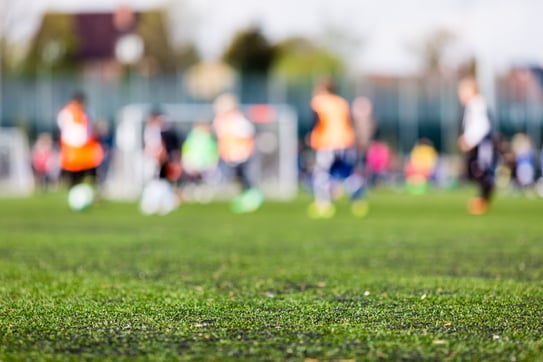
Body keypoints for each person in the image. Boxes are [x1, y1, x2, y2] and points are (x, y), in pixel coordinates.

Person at [307, 79, 368, 218]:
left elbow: (316, 120)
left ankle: (323, 204)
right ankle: (358, 197)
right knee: (345, 173)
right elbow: (349, 122)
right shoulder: (342, 102)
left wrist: (311, 135)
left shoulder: (319, 101)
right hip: (345, 142)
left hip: (326, 142)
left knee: (321, 173)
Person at [213, 93, 263, 213]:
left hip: (240, 155)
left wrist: (242, 151)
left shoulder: (238, 120)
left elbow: (246, 137)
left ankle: (250, 199)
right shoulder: (220, 121)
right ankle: (243, 199)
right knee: (235, 179)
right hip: (229, 156)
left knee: (245, 179)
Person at [457, 76, 496, 215]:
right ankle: (482, 199)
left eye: (462, 91)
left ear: (471, 91)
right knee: (471, 171)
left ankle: (483, 199)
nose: (460, 95)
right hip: (477, 145)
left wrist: (469, 140)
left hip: (482, 145)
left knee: (480, 171)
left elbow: (482, 126)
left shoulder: (477, 104)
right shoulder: (472, 105)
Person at [57, 91, 104, 188]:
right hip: (73, 149)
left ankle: (94, 192)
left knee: (91, 175)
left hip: (87, 150)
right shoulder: (66, 113)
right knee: (74, 176)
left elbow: (92, 129)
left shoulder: (88, 113)